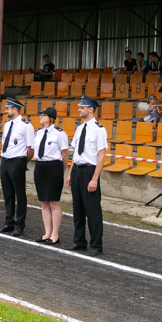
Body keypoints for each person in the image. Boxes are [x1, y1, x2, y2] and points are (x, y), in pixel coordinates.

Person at [65, 95, 107, 256]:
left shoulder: (99, 129)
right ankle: (79, 241)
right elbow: (75, 152)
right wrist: (70, 174)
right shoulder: (80, 128)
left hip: (90, 170)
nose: (79, 109)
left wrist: (95, 178)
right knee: (78, 208)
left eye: (82, 107)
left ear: (91, 109)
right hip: (77, 170)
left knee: (93, 210)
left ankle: (96, 244)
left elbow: (101, 156)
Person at [0, 98, 35, 237]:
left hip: (17, 160)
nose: (5, 110)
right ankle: (8, 222)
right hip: (6, 160)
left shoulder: (26, 125)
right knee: (7, 193)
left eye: (7, 108)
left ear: (15, 109)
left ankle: (19, 225)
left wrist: (23, 163)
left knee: (19, 194)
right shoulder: (7, 124)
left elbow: (30, 149)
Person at [32, 106, 69, 245]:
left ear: (51, 118)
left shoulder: (60, 134)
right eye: (40, 114)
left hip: (54, 167)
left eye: (43, 115)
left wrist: (61, 171)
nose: (40, 116)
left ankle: (55, 234)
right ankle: (47, 232)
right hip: (40, 166)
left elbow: (65, 154)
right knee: (43, 202)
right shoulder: (38, 133)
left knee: (54, 202)